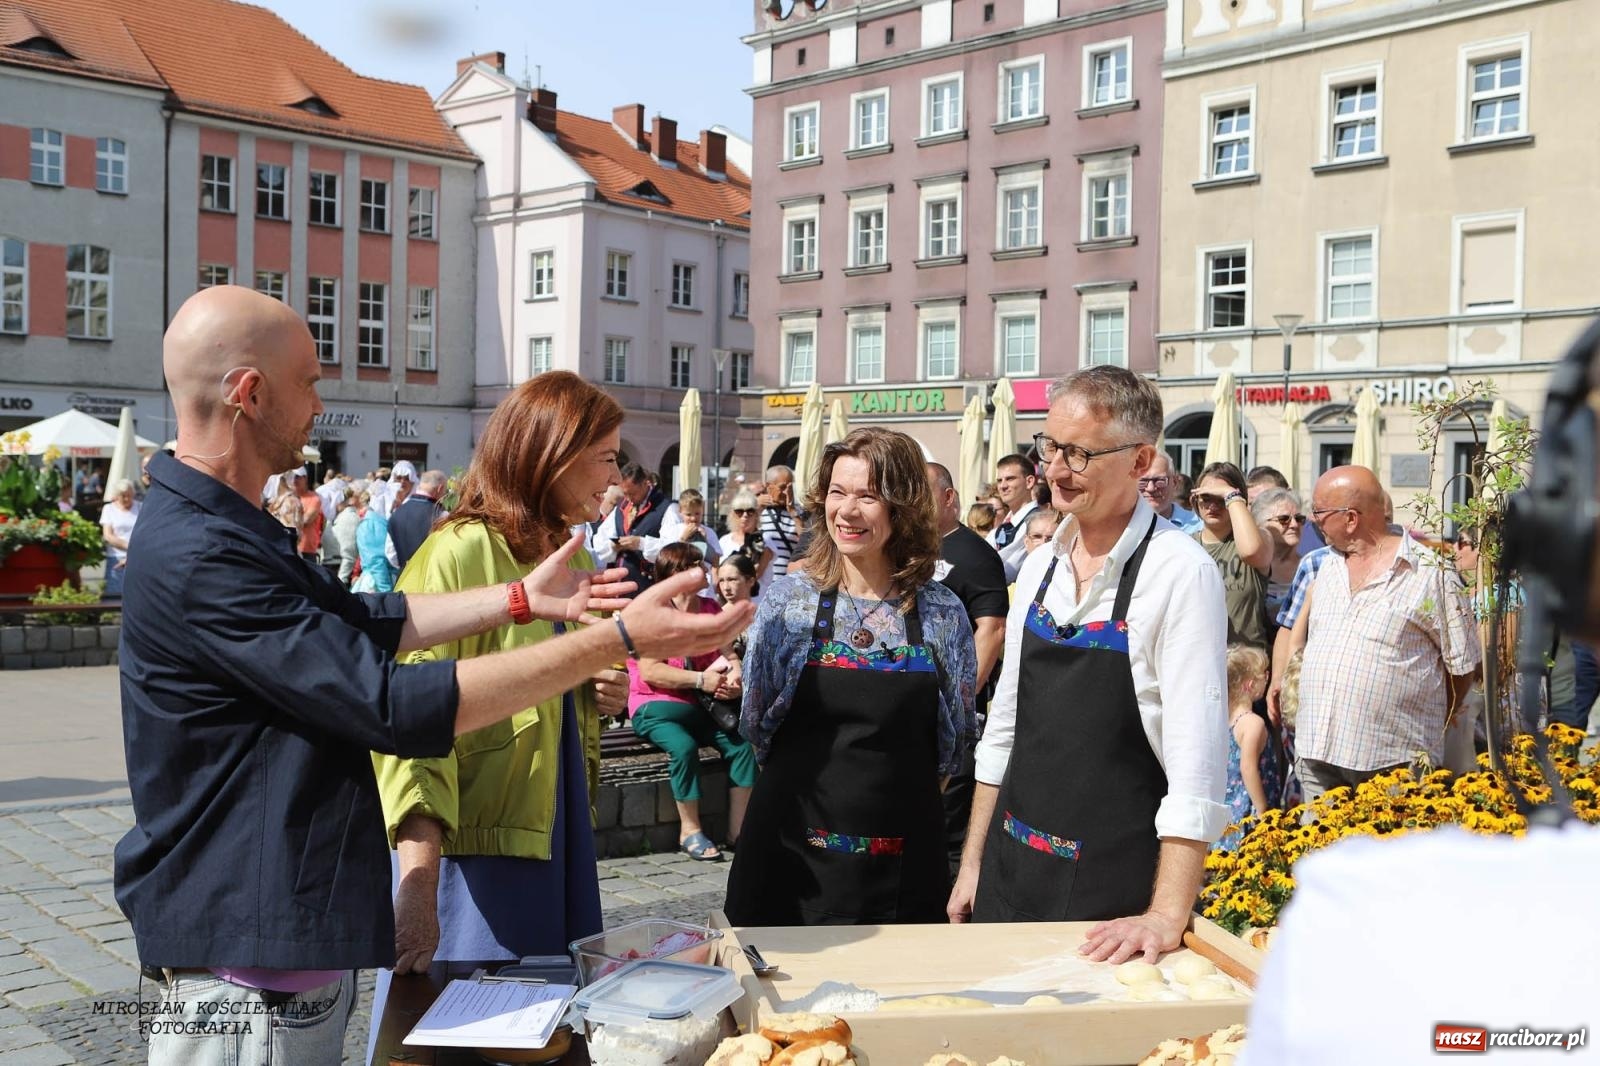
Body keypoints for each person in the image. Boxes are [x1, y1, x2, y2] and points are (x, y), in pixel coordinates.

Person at [117, 286, 751, 1066]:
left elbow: (364, 617)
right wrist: (615, 638)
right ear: (248, 394)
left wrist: (519, 599)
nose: (323, 401)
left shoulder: (229, 527)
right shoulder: (203, 552)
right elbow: (389, 700)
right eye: (311, 381)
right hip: (242, 966)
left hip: (275, 950)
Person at [367, 373, 644, 1057]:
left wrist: (594, 697)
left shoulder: (564, 550)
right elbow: (412, 729)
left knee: (539, 1032)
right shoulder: (460, 551)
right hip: (475, 861)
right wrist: (418, 886)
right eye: (606, 457)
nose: (616, 477)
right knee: (459, 1038)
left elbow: (536, 691)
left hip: (549, 839)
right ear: (552, 454)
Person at [949, 366, 1229, 966]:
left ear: (1139, 460)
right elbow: (1004, 728)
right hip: (1009, 866)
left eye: (1078, 454)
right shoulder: (1041, 563)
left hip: (1111, 895)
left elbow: (1197, 762)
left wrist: (1166, 914)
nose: (1053, 470)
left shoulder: (1180, 572)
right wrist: (972, 862)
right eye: (1049, 447)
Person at [725, 427, 978, 926]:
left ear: (902, 508)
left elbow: (955, 741)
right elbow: (757, 725)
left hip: (903, 856)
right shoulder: (788, 604)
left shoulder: (942, 611)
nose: (847, 510)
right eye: (838, 493)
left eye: (868, 496)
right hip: (790, 852)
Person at [1289, 465, 1481, 801]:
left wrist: (1430, 718)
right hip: (1317, 750)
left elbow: (1462, 667)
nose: (1312, 520)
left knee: (1393, 854)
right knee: (1320, 853)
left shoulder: (1430, 573)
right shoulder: (1328, 565)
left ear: (1351, 519)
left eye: (1318, 511)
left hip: (1393, 758)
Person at [627, 542, 756, 862]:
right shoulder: (653, 613)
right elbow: (651, 671)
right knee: (683, 747)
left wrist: (735, 679)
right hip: (654, 706)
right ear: (676, 574)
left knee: (742, 746)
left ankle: (739, 834)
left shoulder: (710, 608)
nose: (706, 570)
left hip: (701, 706)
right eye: (697, 564)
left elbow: (729, 655)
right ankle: (690, 831)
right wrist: (701, 680)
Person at [928, 461, 1009, 882]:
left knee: (947, 828)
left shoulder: (974, 554)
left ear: (949, 496)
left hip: (953, 717)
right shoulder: (909, 547)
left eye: (923, 494)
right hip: (913, 709)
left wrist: (956, 704)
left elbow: (992, 630)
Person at [1191, 462, 1274, 651]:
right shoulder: (1185, 545)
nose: (1213, 505)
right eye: (1206, 497)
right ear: (1194, 500)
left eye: (1221, 499)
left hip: (1248, 663)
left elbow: (1251, 551)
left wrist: (1232, 495)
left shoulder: (1262, 537)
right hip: (1201, 658)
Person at [1215, 644, 1274, 854]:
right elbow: (1248, 768)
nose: (1268, 678)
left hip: (1226, 811)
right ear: (1250, 685)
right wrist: (1263, 810)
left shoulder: (1225, 721)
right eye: (1263, 676)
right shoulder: (1252, 723)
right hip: (1247, 812)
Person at [592, 462, 669, 594]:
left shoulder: (666, 507)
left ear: (645, 483)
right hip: (620, 588)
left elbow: (673, 548)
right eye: (625, 494)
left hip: (649, 588)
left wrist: (641, 543)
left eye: (632, 493)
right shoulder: (622, 508)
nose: (629, 499)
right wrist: (613, 545)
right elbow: (599, 540)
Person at [1252, 488, 1305, 634]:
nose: (1294, 525)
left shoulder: (1310, 568)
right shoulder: (1249, 568)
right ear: (1260, 524)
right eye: (1284, 519)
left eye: (1299, 518)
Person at [986, 453, 1041, 581]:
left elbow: (1005, 571)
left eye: (1010, 479)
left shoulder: (1036, 522)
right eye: (999, 480)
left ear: (1029, 482)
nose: (1003, 486)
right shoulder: (1004, 525)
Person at [387, 468, 448, 574]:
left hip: (403, 580)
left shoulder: (396, 513)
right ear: (440, 488)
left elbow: (391, 555)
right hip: (429, 581)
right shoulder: (441, 515)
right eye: (444, 491)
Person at [757, 464, 804, 579]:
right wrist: (756, 507)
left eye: (790, 487)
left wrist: (793, 512)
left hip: (788, 581)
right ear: (769, 487)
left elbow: (806, 541)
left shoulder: (799, 511)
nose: (786, 492)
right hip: (762, 583)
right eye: (783, 487)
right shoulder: (756, 510)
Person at [718, 490, 774, 581]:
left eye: (750, 511)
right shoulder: (724, 541)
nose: (745, 516)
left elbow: (756, 574)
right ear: (732, 514)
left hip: (757, 593)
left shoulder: (765, 540)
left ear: (756, 514)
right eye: (739, 512)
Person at [1138, 453, 1200, 533]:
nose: (1150, 488)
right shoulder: (1121, 526)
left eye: (1159, 480)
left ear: (1174, 483)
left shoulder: (1197, 528)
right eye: (1143, 481)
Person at [100, 478, 139, 598]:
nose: (127, 499)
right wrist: (129, 546)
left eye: (129, 495)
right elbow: (108, 535)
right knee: (114, 595)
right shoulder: (109, 509)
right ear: (117, 495)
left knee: (135, 594)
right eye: (123, 496)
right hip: (115, 556)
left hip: (137, 557)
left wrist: (134, 551)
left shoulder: (140, 507)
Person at [663, 488, 721, 565]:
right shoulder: (674, 531)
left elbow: (716, 560)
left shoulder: (709, 532)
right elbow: (668, 557)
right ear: (680, 511)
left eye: (697, 513)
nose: (693, 518)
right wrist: (683, 539)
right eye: (689, 514)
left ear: (702, 510)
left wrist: (705, 541)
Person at [353, 494, 396, 594]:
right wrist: (386, 592)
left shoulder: (374, 523)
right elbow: (376, 561)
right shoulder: (372, 524)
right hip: (376, 584)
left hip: (378, 582)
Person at [292, 467, 325, 564]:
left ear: (305, 478)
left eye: (298, 477)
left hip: (306, 549)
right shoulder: (289, 498)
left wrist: (288, 518)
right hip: (291, 547)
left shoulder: (314, 499)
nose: (294, 480)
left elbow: (306, 520)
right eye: (292, 477)